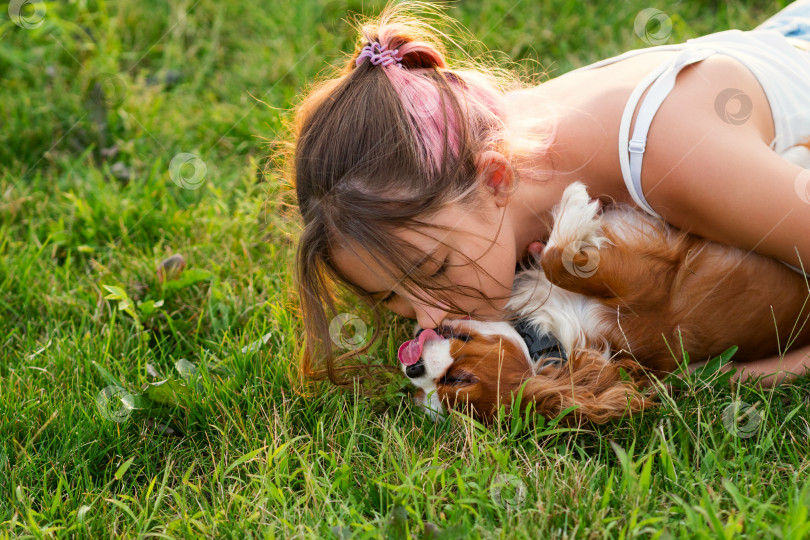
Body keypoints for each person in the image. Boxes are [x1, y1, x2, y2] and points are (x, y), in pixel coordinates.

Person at [291, 1, 810, 387]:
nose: (429, 319)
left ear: (495, 179)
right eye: (391, 299)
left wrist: (743, 375)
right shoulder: (474, 142)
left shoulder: (673, 158)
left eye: (434, 270)